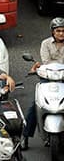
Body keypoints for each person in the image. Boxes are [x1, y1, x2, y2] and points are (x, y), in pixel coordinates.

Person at [24, 18, 64, 147]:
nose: (61, 34)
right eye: (58, 31)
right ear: (53, 32)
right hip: (48, 77)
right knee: (36, 106)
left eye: (63, 31)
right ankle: (25, 136)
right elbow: (46, 62)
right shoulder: (45, 43)